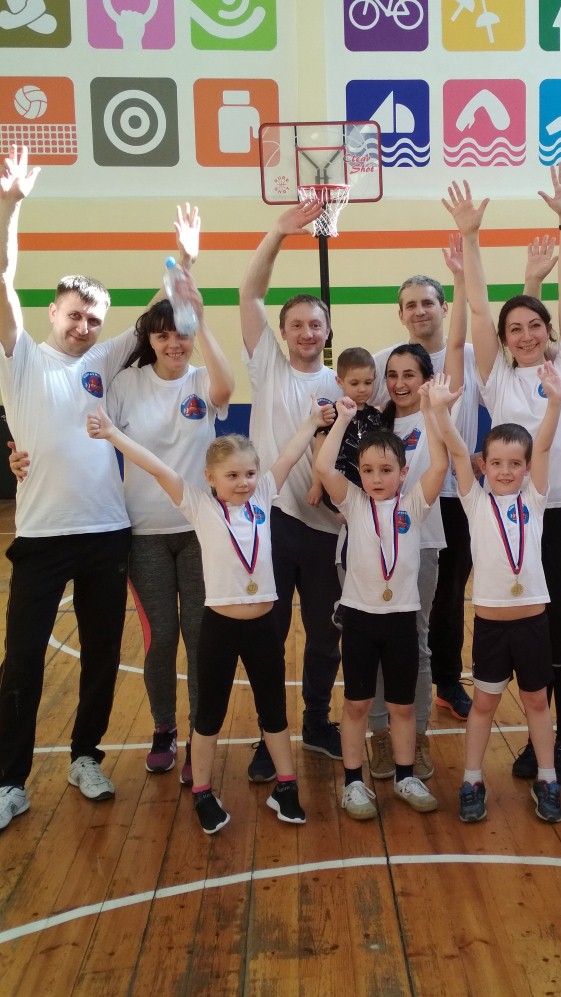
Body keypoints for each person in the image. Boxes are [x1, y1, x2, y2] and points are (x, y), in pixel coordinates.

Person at [86, 401, 327, 834]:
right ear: (210, 478)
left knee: (274, 712)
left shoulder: (264, 496)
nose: (243, 482)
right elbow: (156, 467)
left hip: (265, 626)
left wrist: (312, 422)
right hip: (220, 628)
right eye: (232, 475)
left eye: (249, 473)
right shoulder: (198, 506)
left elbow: (290, 455)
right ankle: (202, 792)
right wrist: (112, 435)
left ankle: (286, 786)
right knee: (209, 715)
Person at [443, 167, 561, 785]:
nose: (527, 333)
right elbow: (479, 307)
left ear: (548, 332)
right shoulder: (497, 379)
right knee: (530, 639)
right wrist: (471, 236)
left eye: (536, 325)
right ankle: (541, 744)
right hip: (514, 519)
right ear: (505, 340)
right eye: (516, 328)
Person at [0, 147, 137, 832]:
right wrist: (11, 205)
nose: (84, 326)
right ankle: (9, 780)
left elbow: (161, 319)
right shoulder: (20, 357)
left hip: (107, 532)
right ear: (53, 311)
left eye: (94, 318)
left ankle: (86, 755)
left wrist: (186, 262)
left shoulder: (103, 361)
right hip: (42, 536)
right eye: (76, 314)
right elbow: (2, 277)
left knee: (103, 655)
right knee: (22, 661)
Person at [109, 264, 233, 783]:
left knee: (200, 635)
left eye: (181, 334)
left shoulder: (202, 380)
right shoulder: (125, 384)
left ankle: (198, 736)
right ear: (150, 340)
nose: (174, 343)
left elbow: (228, 384)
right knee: (160, 637)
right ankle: (163, 727)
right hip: (144, 535)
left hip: (200, 531)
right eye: (164, 335)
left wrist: (199, 319)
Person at [428, 367, 561, 825]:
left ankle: (547, 777)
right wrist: (440, 410)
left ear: (526, 469)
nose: (506, 471)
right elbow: (454, 449)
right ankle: (472, 779)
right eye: (497, 463)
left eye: (515, 464)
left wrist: (556, 401)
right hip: (490, 626)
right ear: (483, 465)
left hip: (532, 624)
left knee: (537, 703)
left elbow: (542, 445)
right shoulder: (475, 501)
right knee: (484, 704)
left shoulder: (535, 501)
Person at [239, 199, 343, 781]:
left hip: (328, 529)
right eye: (297, 324)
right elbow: (248, 293)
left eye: (315, 324)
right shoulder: (269, 369)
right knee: (270, 634)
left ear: (327, 332)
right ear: (282, 333)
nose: (306, 332)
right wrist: (278, 231)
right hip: (274, 522)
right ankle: (268, 734)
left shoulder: (343, 386)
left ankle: (318, 722)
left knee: (327, 634)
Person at [316, 379, 449, 820]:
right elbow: (323, 466)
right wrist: (344, 419)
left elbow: (440, 466)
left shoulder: (413, 505)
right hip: (359, 619)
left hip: (400, 620)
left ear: (402, 473)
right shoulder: (353, 503)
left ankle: (405, 776)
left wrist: (431, 413)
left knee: (401, 706)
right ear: (359, 472)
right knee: (356, 704)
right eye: (369, 470)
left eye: (386, 470)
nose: (377, 478)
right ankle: (353, 783)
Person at [372, 246, 477, 723]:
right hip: (399, 502)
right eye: (410, 304)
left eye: (427, 302)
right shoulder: (385, 364)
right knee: (397, 595)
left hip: (454, 496)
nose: (419, 311)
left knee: (448, 597)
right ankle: (389, 691)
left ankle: (447, 681)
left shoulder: (465, 356)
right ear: (400, 314)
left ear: (444, 307)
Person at [366, 343, 443, 782]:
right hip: (369, 549)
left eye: (409, 374)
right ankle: (380, 734)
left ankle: (417, 736)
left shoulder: (438, 419)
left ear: (426, 379)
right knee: (372, 646)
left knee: (417, 642)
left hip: (423, 544)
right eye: (392, 375)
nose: (398, 383)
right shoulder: (373, 424)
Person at [307, 346, 384, 513]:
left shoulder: (377, 417)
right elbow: (318, 452)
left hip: (367, 484)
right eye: (354, 383)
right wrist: (316, 485)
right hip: (336, 483)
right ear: (339, 381)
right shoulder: (331, 414)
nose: (362, 389)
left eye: (368, 382)